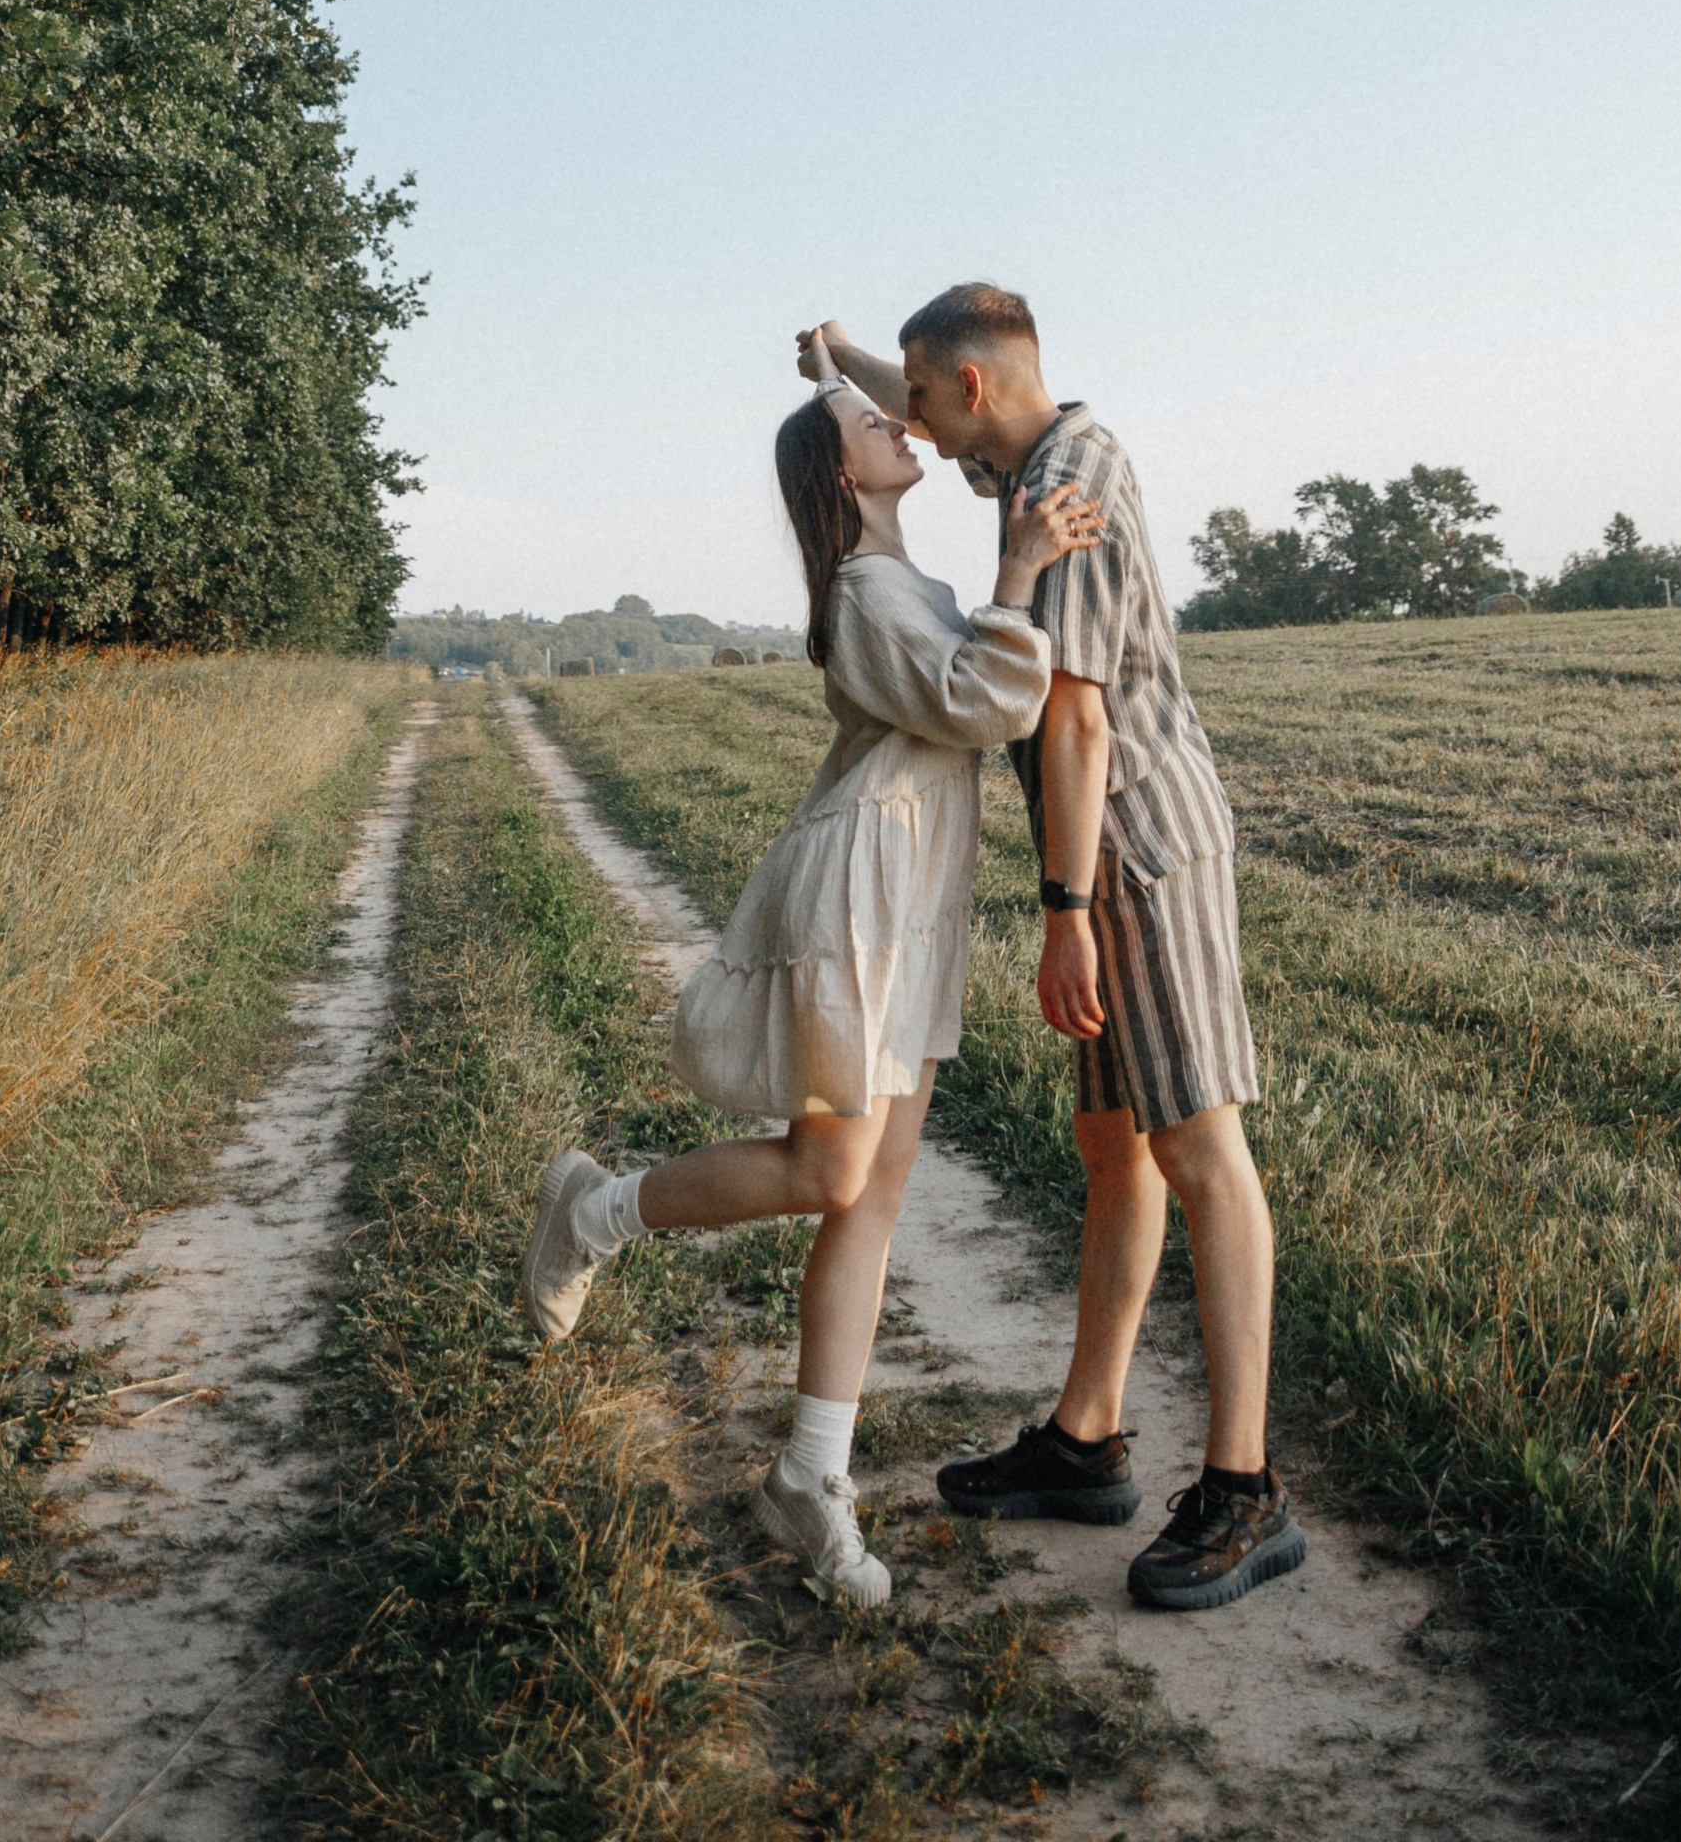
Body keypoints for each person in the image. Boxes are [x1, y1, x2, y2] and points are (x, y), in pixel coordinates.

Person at [521, 362, 1091, 1609]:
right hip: (857, 903)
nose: (898, 424)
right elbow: (992, 703)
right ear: (844, 472)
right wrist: (1019, 576)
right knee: (834, 1171)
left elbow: (976, 427)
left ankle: (808, 1479)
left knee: (870, 1201)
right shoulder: (867, 590)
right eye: (868, 424)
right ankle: (595, 1212)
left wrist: (840, 353)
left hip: (913, 906)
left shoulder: (899, 575)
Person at [799, 286, 1306, 1616]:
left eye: (909, 394)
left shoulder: (1056, 495)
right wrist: (841, 356)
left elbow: (1071, 723)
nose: (898, 416)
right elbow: (935, 392)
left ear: (966, 392)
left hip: (1133, 845)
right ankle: (1086, 1440)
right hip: (1115, 846)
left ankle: (1247, 1487)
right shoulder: (1038, 448)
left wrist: (1067, 911)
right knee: (1115, 1147)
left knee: (1202, 1146)